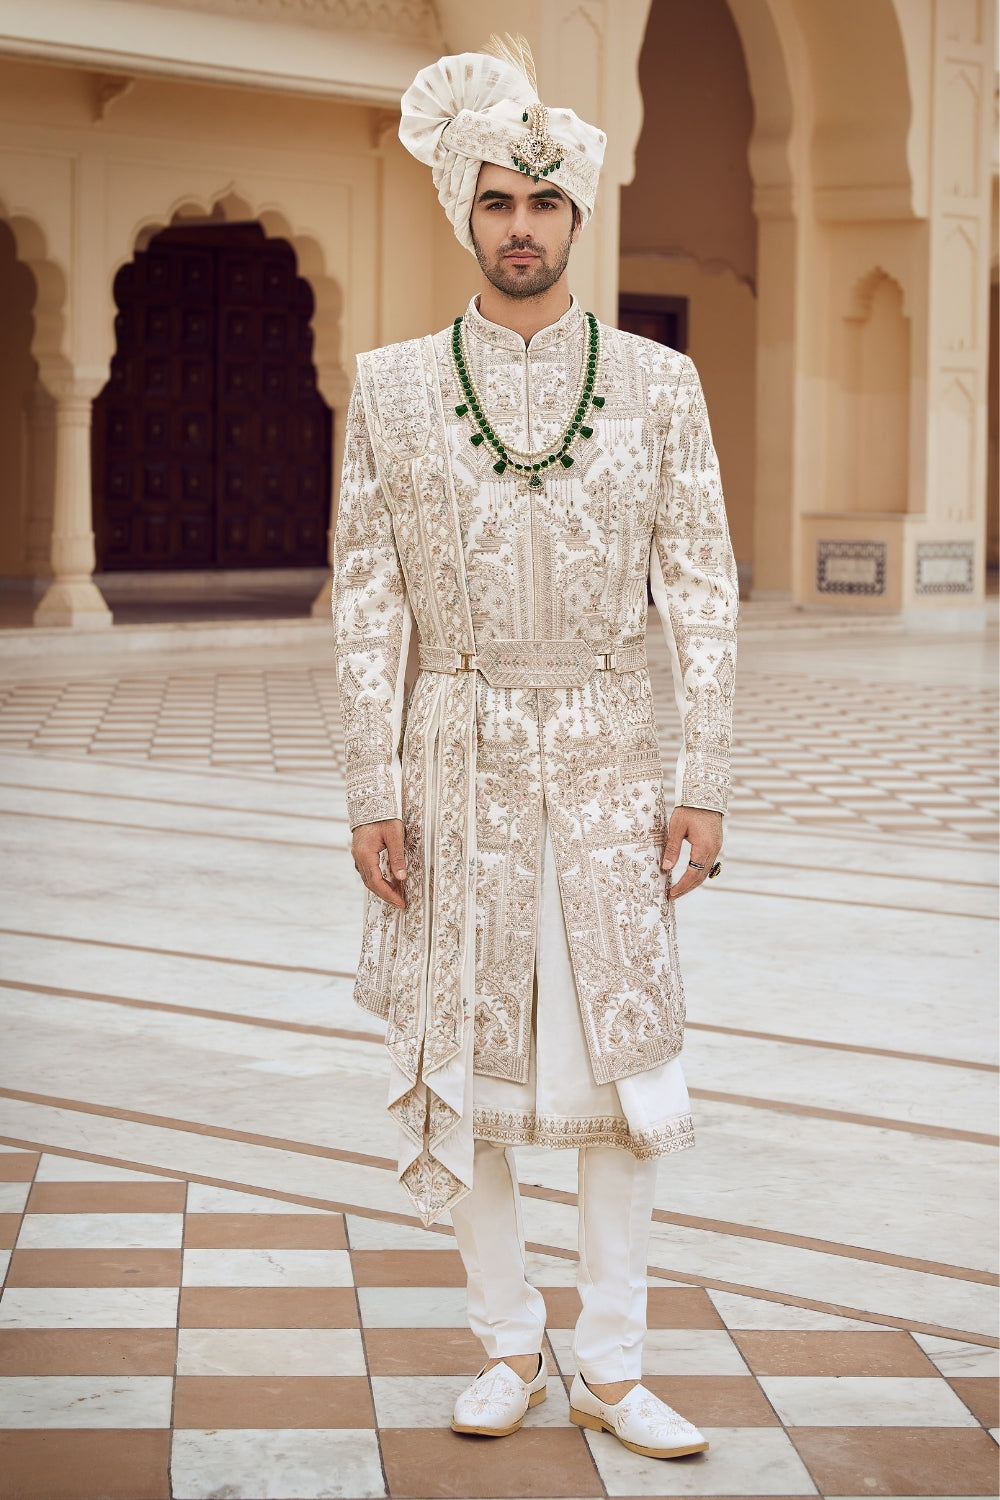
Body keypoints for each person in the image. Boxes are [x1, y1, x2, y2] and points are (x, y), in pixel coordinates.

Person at [333, 36, 737, 1462]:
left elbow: (701, 587)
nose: (521, 226)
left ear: (577, 218)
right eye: (498, 200)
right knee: (479, 1077)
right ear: (468, 211)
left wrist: (703, 776)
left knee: (625, 1085)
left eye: (544, 204)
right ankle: (509, 1342)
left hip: (614, 765)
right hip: (455, 765)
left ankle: (615, 1365)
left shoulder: (657, 385)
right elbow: (368, 600)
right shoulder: (386, 392)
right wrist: (371, 790)